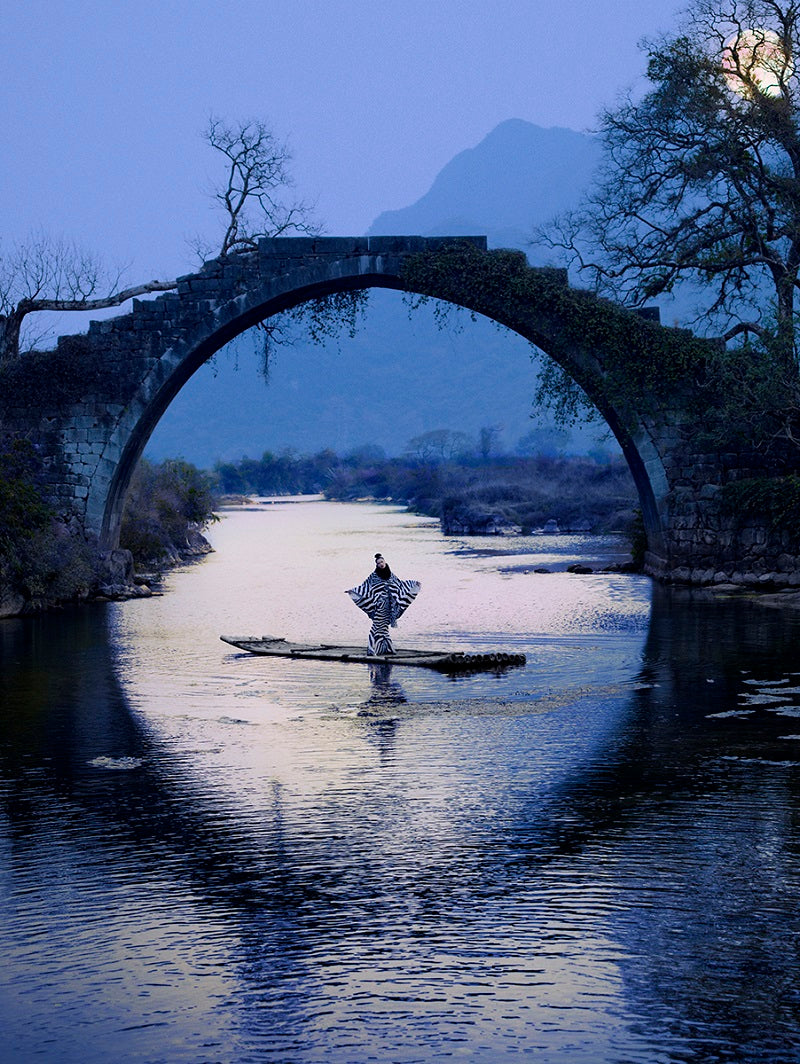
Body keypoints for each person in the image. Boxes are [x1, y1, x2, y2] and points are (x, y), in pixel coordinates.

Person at [346, 553, 421, 656]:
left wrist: (414, 584)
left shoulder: (391, 575)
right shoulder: (374, 576)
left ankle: (386, 649)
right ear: (376, 565)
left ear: (385, 562)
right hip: (379, 606)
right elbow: (365, 587)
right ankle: (372, 649)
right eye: (379, 563)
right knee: (377, 625)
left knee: (384, 626)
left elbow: (400, 585)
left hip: (390, 606)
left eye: (382, 562)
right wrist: (353, 591)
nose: (381, 564)